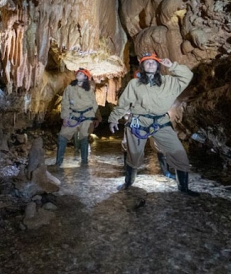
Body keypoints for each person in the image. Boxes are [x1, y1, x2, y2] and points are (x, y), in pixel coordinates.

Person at [109, 53, 199, 196]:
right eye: (147, 62)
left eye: (153, 62)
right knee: (134, 155)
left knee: (179, 153)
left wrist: (172, 66)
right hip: (138, 122)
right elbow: (124, 103)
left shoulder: (169, 82)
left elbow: (187, 76)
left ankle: (183, 187)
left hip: (161, 122)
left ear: (158, 66)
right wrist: (114, 118)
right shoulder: (135, 84)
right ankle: (128, 182)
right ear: (143, 67)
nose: (150, 64)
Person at [55, 68, 100, 166]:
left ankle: (84, 162)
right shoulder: (70, 88)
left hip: (86, 116)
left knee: (84, 138)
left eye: (81, 74)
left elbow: (94, 104)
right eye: (77, 73)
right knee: (62, 137)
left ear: (85, 77)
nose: (78, 75)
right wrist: (65, 117)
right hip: (73, 115)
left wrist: (97, 118)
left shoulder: (89, 90)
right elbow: (65, 102)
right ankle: (59, 162)